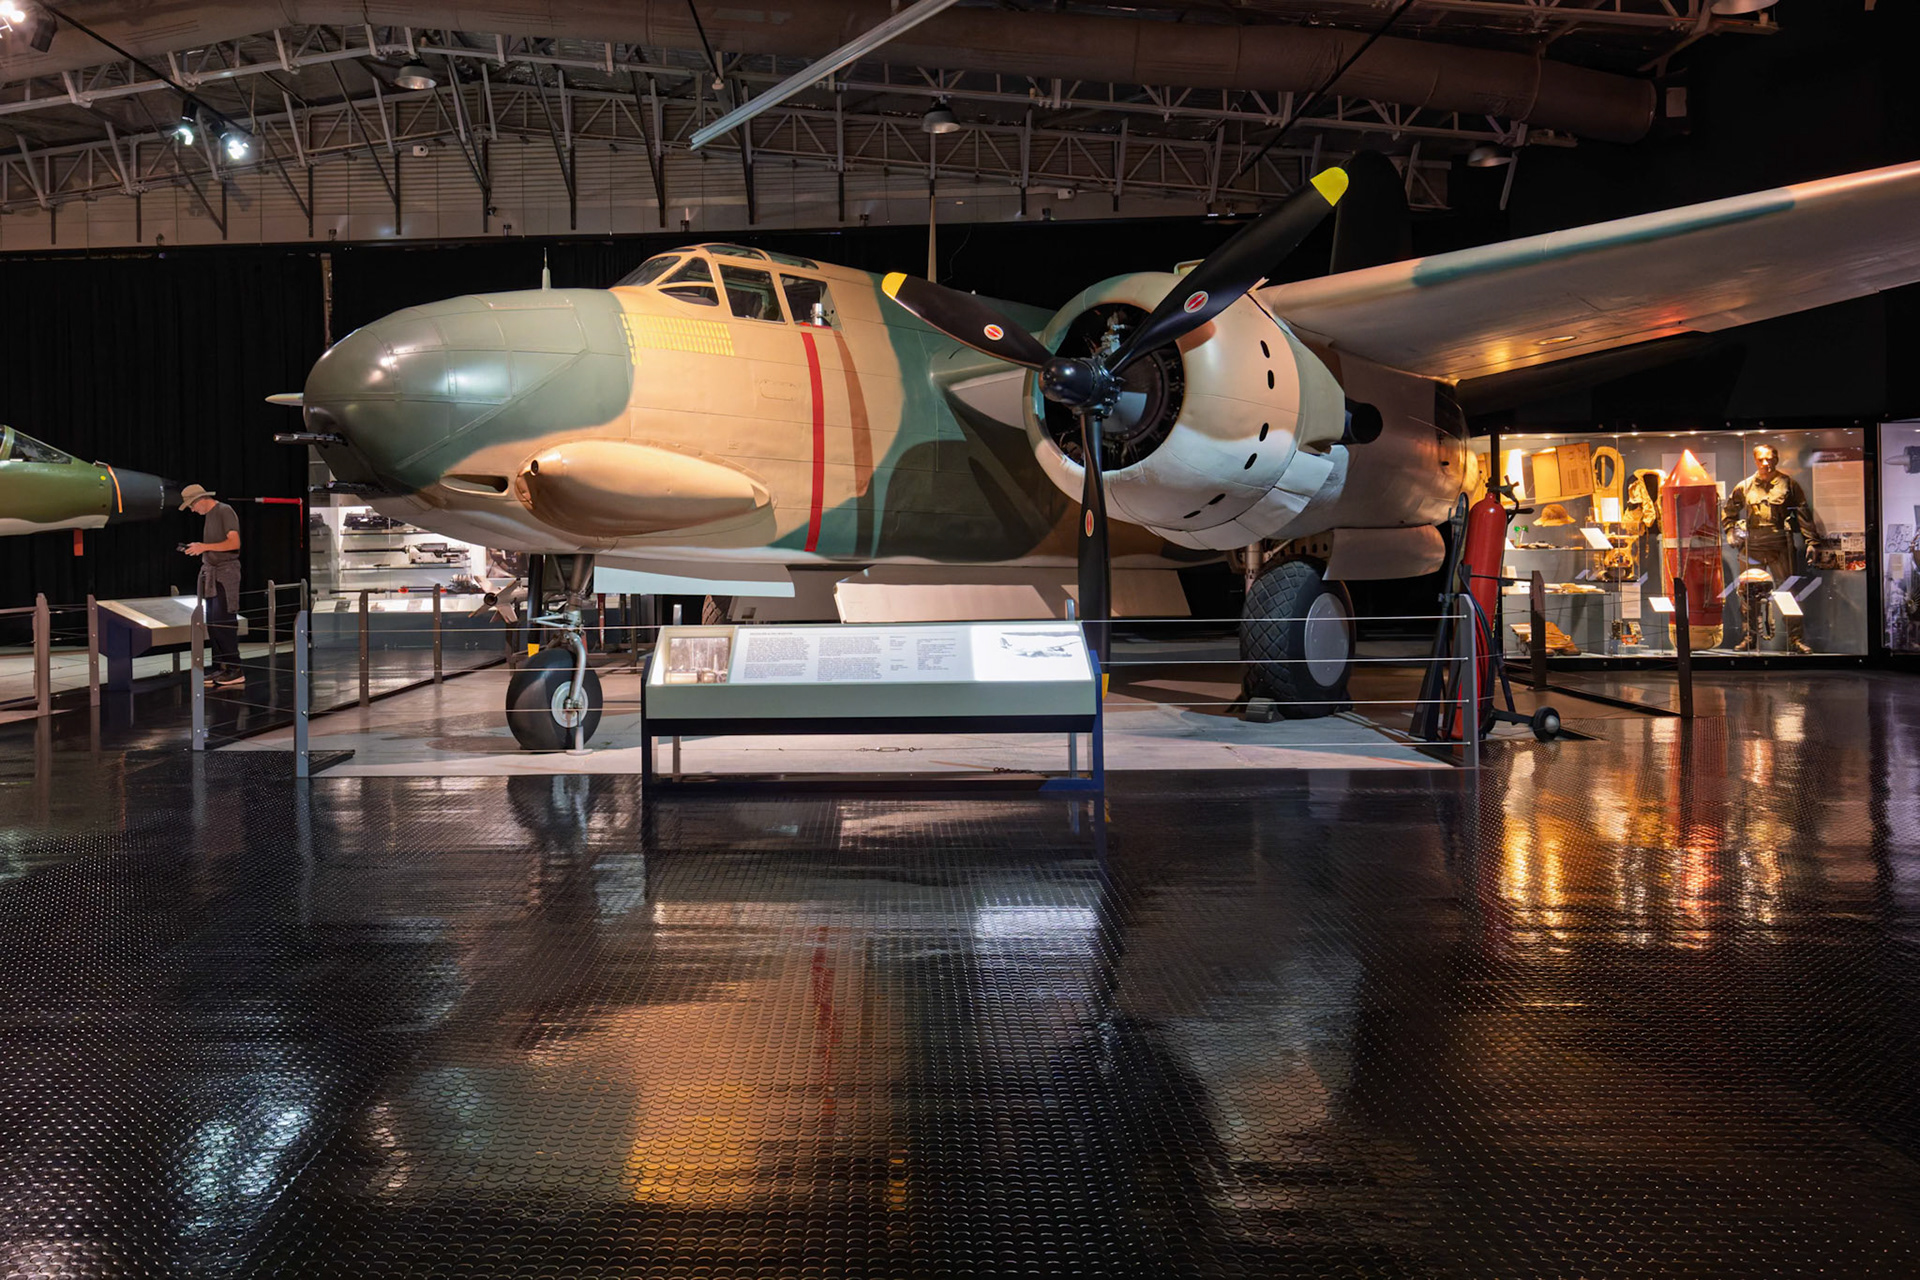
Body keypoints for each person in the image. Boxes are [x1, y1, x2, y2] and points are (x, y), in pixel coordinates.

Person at [1721, 444, 1815, 654]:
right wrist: (1730, 531)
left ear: (1776, 459)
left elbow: (1803, 514)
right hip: (1752, 545)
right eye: (1761, 459)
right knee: (1748, 592)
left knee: (1789, 591)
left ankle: (1795, 639)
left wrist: (1812, 542)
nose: (1766, 463)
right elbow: (1729, 512)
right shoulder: (1744, 486)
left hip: (1780, 543)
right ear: (1755, 460)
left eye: (1770, 458)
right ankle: (1750, 639)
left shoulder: (1788, 484)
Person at [179, 483, 245, 685]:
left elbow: (234, 543)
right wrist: (200, 549)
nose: (192, 510)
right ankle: (221, 667)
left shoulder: (225, 511)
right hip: (212, 575)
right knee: (214, 624)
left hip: (225, 574)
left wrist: (204, 547)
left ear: (200, 500)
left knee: (224, 622)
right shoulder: (209, 516)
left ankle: (235, 668)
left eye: (192, 505)